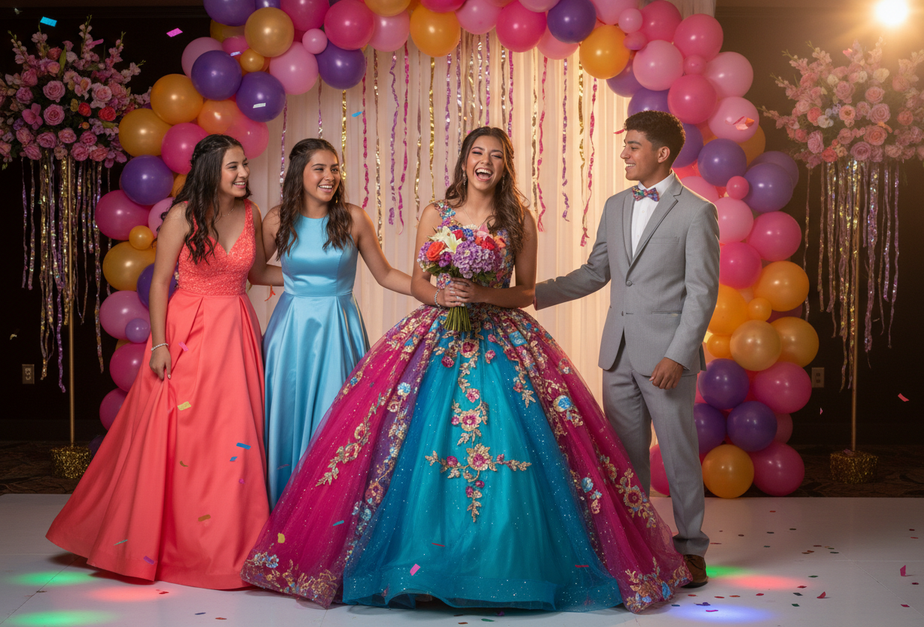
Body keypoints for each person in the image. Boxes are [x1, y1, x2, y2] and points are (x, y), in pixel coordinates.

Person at [241, 127, 690, 612]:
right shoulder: (437, 212)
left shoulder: (518, 219)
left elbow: (525, 292)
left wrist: (482, 294)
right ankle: (420, 563)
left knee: (512, 443)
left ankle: (503, 561)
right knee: (413, 444)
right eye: (478, 153)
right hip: (439, 334)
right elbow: (416, 281)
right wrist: (442, 295)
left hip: (500, 338)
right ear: (464, 161)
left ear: (505, 166)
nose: (486, 162)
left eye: (496, 156)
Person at [47, 134, 283, 590]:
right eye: (233, 167)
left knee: (234, 435)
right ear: (211, 168)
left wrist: (309, 276)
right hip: (188, 329)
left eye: (244, 167)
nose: (243, 175)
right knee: (184, 435)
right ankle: (175, 543)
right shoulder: (182, 215)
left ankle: (229, 543)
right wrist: (159, 343)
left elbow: (255, 275)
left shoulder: (252, 215)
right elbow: (159, 284)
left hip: (235, 328)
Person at [535, 110, 720, 588]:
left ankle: (691, 549)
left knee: (678, 456)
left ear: (661, 153)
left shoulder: (697, 212)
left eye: (633, 145)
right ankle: (638, 545)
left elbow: (702, 293)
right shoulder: (616, 204)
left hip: (667, 360)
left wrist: (677, 355)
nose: (624, 153)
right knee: (624, 457)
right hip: (616, 352)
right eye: (625, 145)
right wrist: (531, 294)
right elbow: (595, 273)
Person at [261, 138, 411, 508]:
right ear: (299, 173)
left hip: (339, 329)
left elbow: (386, 274)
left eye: (334, 168)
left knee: (338, 420)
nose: (330, 177)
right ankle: (283, 508)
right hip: (291, 332)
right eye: (320, 168)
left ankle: (330, 510)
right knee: (288, 416)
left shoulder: (354, 217)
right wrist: (300, 279)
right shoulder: (277, 218)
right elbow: (254, 272)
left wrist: (433, 291)